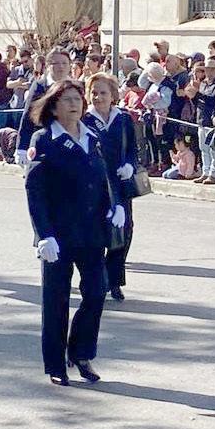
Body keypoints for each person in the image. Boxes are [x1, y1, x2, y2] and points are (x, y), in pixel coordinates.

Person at [24, 79, 125, 386]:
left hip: (91, 231)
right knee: (55, 300)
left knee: (96, 292)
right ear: (54, 107)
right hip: (58, 235)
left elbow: (105, 176)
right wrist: (43, 234)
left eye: (77, 99)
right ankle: (56, 364)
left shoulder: (92, 136)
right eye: (67, 100)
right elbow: (35, 191)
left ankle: (81, 352)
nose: (74, 104)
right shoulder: (44, 139)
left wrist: (116, 205)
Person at [84, 73, 138, 302]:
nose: (98, 97)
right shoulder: (84, 120)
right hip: (95, 184)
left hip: (120, 184)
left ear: (113, 95)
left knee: (123, 232)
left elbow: (133, 149)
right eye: (94, 92)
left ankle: (114, 281)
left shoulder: (123, 119)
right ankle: (97, 279)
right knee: (97, 232)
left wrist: (130, 165)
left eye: (103, 93)